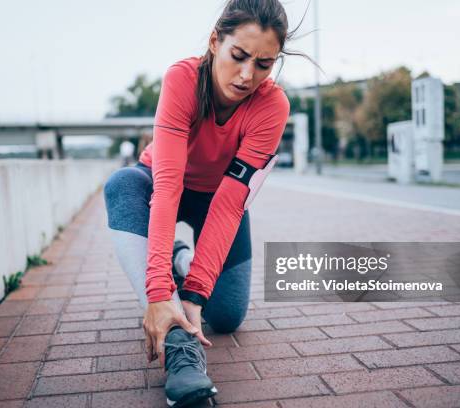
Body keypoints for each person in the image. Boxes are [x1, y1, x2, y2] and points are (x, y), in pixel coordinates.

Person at [104, 0, 308, 405]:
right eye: (239, 56)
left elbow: (232, 204)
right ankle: (180, 347)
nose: (248, 75)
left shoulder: (272, 106)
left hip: (218, 198)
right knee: (121, 183)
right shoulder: (182, 78)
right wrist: (162, 293)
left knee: (227, 316)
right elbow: (166, 186)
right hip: (163, 184)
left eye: (264, 64)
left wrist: (195, 293)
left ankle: (183, 260)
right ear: (216, 41)